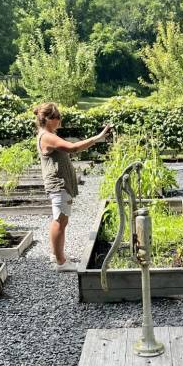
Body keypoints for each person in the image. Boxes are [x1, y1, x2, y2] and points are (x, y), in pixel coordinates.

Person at [34, 103, 111, 271]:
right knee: (60, 221)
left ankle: (56, 254)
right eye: (58, 117)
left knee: (60, 219)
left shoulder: (47, 134)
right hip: (58, 184)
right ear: (48, 119)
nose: (60, 120)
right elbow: (73, 148)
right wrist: (97, 138)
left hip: (59, 184)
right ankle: (61, 262)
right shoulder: (47, 136)